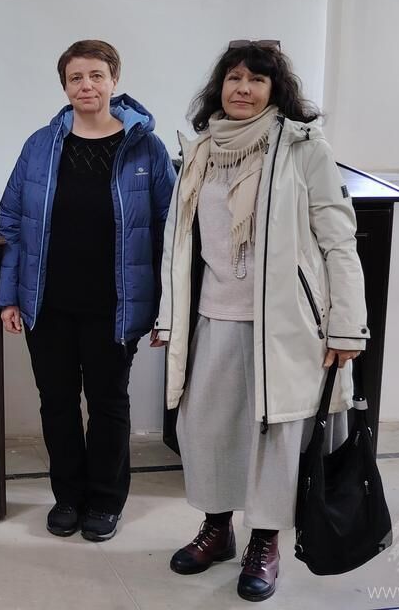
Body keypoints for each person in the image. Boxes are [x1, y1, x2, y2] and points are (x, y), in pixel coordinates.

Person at [150, 40, 368, 601]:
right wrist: (169, 316)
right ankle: (217, 528)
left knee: (275, 434)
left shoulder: (302, 148)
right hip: (213, 316)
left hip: (287, 325)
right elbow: (181, 245)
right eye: (234, 78)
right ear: (219, 87)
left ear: (275, 90)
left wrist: (347, 325)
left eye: (256, 80)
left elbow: (339, 240)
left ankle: (265, 541)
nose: (242, 89)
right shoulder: (202, 149)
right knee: (208, 429)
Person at [0, 40, 175, 542]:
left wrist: (167, 308)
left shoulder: (146, 149)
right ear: (65, 86)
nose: (87, 86)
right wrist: (8, 295)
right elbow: (12, 220)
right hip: (47, 304)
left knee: (108, 404)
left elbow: (172, 232)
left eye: (96, 75)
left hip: (115, 308)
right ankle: (68, 497)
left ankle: (105, 500)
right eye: (76, 77)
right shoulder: (40, 145)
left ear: (114, 81)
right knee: (56, 402)